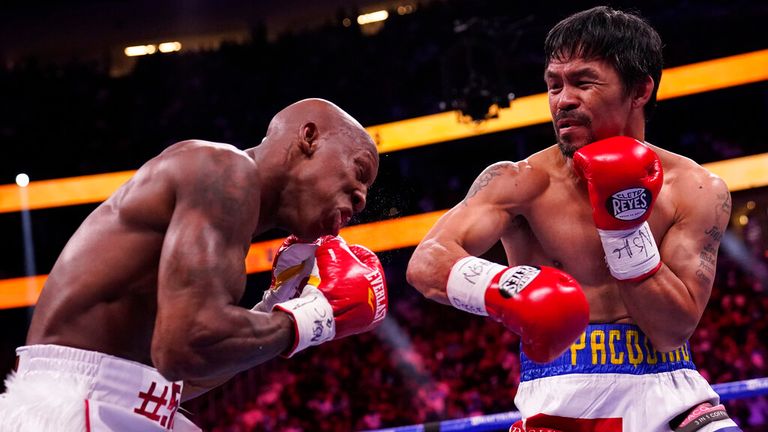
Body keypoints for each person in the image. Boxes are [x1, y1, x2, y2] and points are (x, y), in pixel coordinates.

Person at [407, 7, 740, 432]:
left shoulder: (696, 188)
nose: (563, 100)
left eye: (583, 82)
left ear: (639, 90)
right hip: (557, 398)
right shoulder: (519, 181)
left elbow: (673, 330)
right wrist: (508, 289)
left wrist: (623, 229)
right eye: (553, 85)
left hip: (671, 397)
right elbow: (426, 264)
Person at [0, 98, 388, 431]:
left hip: (113, 403)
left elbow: (178, 375)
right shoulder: (222, 169)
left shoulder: (227, 220)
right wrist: (312, 318)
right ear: (309, 137)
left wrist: (276, 310)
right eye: (359, 171)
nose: (361, 199)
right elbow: (183, 348)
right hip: (78, 404)